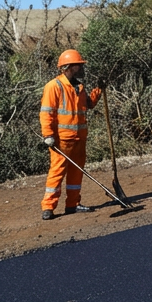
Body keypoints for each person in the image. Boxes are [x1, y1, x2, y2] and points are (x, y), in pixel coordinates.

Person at [39, 49, 103, 220]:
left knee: (76, 172)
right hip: (61, 140)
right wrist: (48, 135)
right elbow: (47, 113)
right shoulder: (54, 86)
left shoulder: (79, 87)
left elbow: (89, 105)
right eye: (78, 65)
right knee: (57, 172)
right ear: (67, 67)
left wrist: (98, 90)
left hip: (80, 138)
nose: (81, 68)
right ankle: (48, 207)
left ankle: (72, 204)